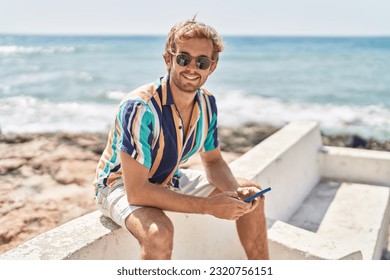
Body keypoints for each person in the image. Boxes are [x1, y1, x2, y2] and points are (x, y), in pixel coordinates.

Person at [94, 17, 269, 260]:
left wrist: (235, 194)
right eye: (183, 58)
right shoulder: (140, 107)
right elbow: (137, 192)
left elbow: (213, 161)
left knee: (253, 195)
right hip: (120, 184)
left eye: (202, 61)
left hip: (168, 178)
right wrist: (210, 206)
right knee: (159, 233)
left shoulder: (207, 103)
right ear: (169, 58)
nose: (192, 68)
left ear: (213, 66)